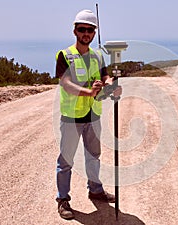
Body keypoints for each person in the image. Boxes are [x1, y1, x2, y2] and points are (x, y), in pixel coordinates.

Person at [55, 9, 121, 220]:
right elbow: (65, 84)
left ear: (94, 33)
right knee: (66, 161)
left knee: (94, 156)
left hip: (93, 116)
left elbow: (106, 76)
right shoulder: (64, 55)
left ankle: (95, 189)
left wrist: (111, 87)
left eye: (90, 30)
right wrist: (88, 91)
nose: (86, 33)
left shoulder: (97, 56)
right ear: (75, 31)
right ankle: (63, 199)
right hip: (72, 117)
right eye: (82, 29)